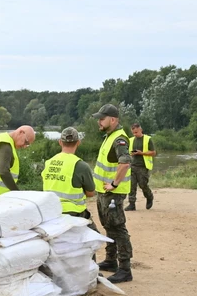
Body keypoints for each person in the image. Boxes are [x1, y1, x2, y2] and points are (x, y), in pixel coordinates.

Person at [92, 104, 134, 284]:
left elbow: (125, 163)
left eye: (102, 119)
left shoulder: (119, 139)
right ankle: (111, 261)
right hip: (104, 192)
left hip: (113, 193)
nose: (99, 122)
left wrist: (114, 184)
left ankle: (125, 268)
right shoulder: (109, 137)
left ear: (113, 119)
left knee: (118, 228)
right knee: (109, 226)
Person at [42, 127, 98, 232]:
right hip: (74, 213)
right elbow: (90, 193)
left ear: (60, 142)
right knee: (95, 235)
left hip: (51, 211)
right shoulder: (81, 165)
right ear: (78, 142)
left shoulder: (48, 162)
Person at [0, 126, 35, 199]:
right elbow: (4, 172)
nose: (25, 146)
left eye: (27, 145)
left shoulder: (0, 137)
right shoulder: (6, 146)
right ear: (21, 132)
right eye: (26, 142)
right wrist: (17, 193)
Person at [126, 123, 156, 211]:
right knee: (131, 185)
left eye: (136, 132)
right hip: (132, 165)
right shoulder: (130, 140)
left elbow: (153, 152)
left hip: (143, 166)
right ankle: (132, 204)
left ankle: (149, 197)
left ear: (140, 130)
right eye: (133, 133)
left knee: (143, 185)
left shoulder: (147, 139)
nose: (135, 134)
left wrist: (141, 153)